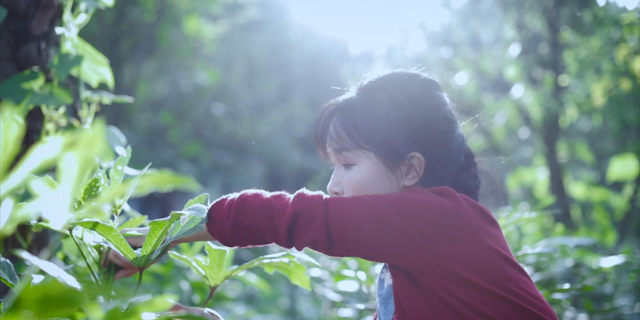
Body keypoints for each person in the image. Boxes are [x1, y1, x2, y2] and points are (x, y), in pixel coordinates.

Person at [107, 70, 559, 320]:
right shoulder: (416, 259)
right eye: (332, 167)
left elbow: (291, 217)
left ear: (409, 169)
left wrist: (164, 234)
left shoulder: (444, 221)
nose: (334, 184)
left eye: (347, 164)